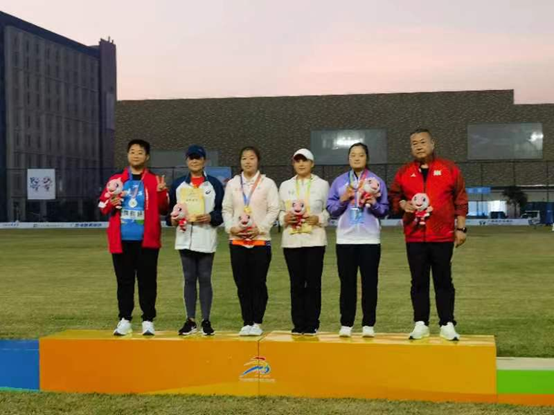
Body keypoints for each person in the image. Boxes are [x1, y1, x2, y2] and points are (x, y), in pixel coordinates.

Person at [389, 128, 468, 341]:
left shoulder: (449, 169)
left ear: (433, 144)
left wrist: (460, 228)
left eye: (423, 142)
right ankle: (420, 323)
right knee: (418, 281)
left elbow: (460, 200)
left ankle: (447, 323)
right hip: (414, 236)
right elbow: (394, 197)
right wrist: (403, 204)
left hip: (442, 236)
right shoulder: (404, 172)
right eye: (414, 143)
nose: (419, 146)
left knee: (444, 280)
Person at [98, 139, 168, 336]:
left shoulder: (154, 180)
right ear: (127, 155)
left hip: (148, 241)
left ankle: (148, 320)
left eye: (140, 152)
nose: (136, 155)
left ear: (147, 157)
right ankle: (125, 319)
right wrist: (111, 202)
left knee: (148, 282)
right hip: (121, 241)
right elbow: (102, 206)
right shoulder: (116, 180)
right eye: (132, 152)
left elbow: (164, 209)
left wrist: (161, 193)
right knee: (124, 282)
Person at [327, 143, 389, 338]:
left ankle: (368, 324)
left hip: (369, 239)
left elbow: (385, 211)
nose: (356, 158)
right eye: (353, 155)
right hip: (345, 240)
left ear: (366, 158)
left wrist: (374, 204)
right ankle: (346, 323)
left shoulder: (376, 181)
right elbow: (331, 210)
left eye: (361, 155)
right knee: (347, 283)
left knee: (370, 283)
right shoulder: (339, 182)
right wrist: (343, 198)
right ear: (348, 159)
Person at [167, 145, 224, 336]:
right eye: (191, 158)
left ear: (204, 161)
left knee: (205, 278)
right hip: (184, 238)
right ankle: (190, 321)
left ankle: (206, 320)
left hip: (206, 237)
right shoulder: (178, 185)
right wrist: (173, 220)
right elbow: (169, 213)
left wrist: (210, 217)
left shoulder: (213, 184)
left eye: (198, 158)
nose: (194, 161)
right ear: (186, 161)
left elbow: (221, 212)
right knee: (189, 278)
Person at [222, 146, 280, 336]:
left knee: (258, 283)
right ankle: (246, 321)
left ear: (258, 161)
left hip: (260, 241)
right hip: (237, 241)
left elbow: (274, 209)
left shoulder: (267, 183)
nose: (248, 161)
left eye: (252, 158)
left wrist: (260, 228)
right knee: (242, 283)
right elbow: (226, 209)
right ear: (240, 162)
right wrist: (232, 228)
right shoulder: (232, 184)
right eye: (244, 158)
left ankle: (257, 322)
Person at [279, 149, 329, 336]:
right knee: (296, 284)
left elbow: (330, 209)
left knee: (313, 283)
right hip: (291, 241)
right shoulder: (285, 186)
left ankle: (312, 323)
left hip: (315, 240)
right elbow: (279, 211)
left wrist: (319, 218)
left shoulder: (322, 185)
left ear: (312, 163)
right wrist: (284, 218)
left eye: (305, 160)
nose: (301, 164)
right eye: (297, 161)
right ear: (293, 164)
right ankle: (298, 324)